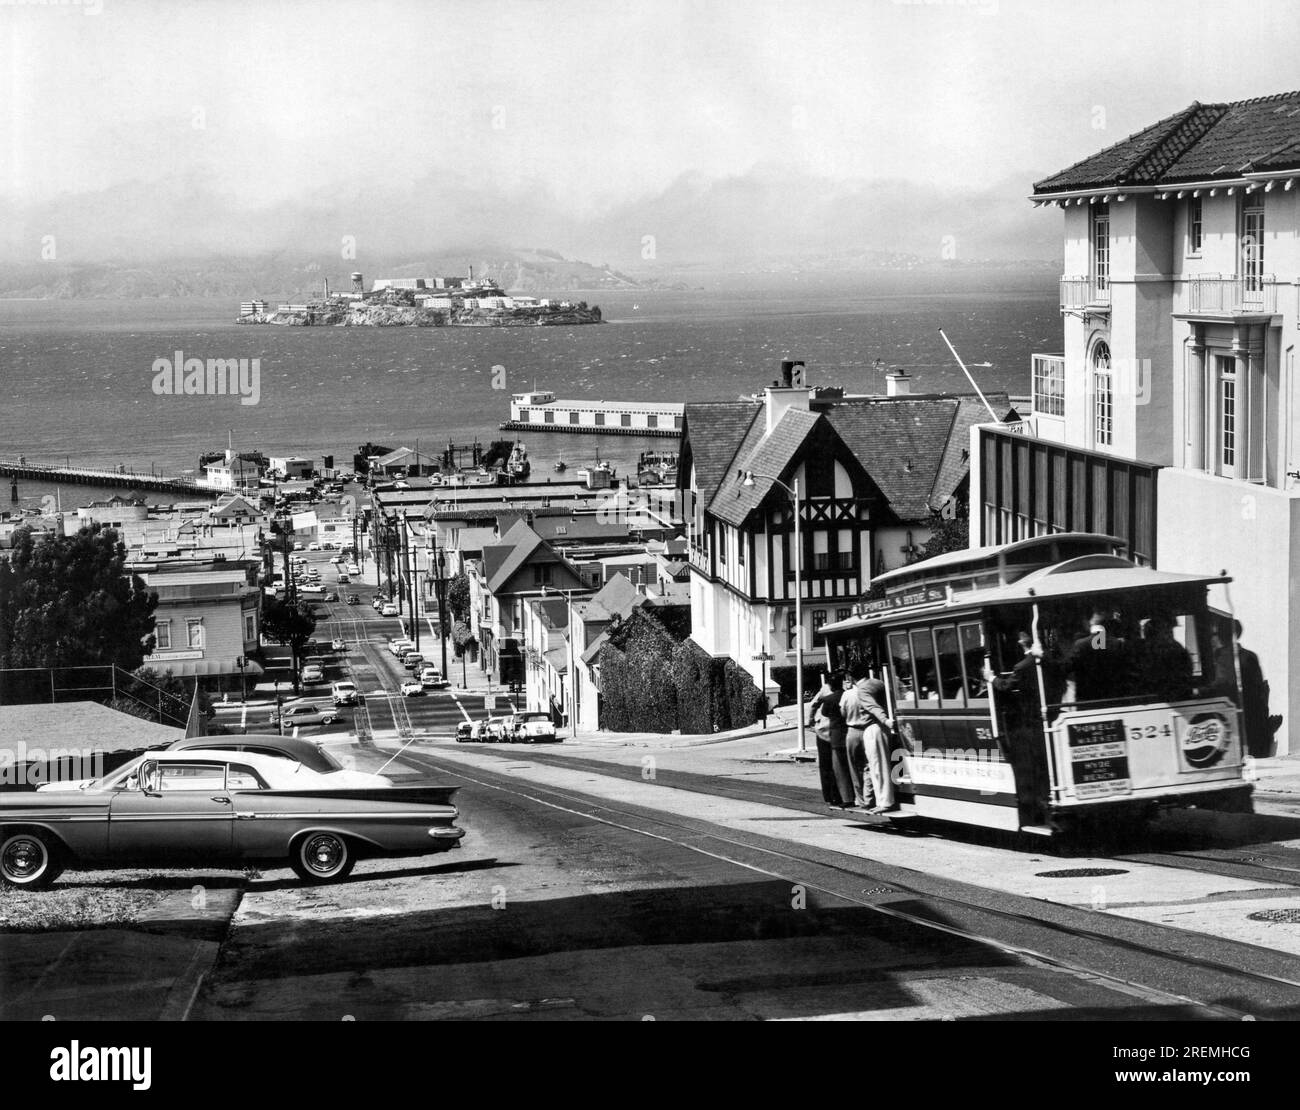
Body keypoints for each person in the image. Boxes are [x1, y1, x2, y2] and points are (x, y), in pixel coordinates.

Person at [986, 631, 1049, 824]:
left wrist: (991, 678)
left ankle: (1037, 807)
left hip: (1029, 722)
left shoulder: (1022, 666)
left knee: (1032, 767)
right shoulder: (1046, 662)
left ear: (1021, 643)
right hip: (1046, 718)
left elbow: (1006, 686)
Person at [842, 667, 896, 813]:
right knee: (881, 765)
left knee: (877, 767)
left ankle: (884, 802)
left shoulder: (862, 689)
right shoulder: (877, 682)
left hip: (873, 728)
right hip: (882, 728)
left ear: (851, 678)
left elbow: (873, 707)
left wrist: (885, 720)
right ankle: (884, 800)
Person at [807, 670, 854, 809]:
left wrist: (811, 720)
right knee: (834, 765)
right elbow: (815, 704)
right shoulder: (844, 690)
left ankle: (833, 796)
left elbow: (814, 704)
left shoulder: (827, 689)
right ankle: (836, 795)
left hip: (826, 730)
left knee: (828, 766)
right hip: (832, 731)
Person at [1134, 612, 1193, 702]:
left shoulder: (1175, 648)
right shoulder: (1143, 649)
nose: (1169, 633)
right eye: (1167, 630)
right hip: (1151, 697)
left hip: (1175, 696)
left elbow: (1186, 673)